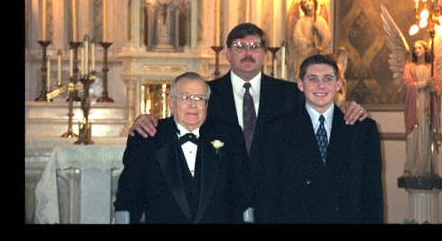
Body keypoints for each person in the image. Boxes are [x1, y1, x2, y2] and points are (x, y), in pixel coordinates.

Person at [129, 23, 368, 222]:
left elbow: (320, 115)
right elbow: (178, 122)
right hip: (223, 206)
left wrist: (347, 107)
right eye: (240, 46)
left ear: (264, 53)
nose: (248, 52)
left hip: (278, 202)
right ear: (228, 53)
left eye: (255, 46)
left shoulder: (290, 94)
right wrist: (144, 120)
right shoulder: (205, 93)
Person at [256, 54, 384, 223]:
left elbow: (373, 196)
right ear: (300, 84)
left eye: (328, 79)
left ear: (338, 84)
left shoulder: (362, 130)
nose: (321, 85)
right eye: (312, 79)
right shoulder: (277, 130)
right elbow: (268, 196)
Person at [114, 71, 253, 223]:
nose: (193, 105)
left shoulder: (230, 136)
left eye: (199, 98)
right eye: (185, 97)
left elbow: (243, 197)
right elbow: (128, 200)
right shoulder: (146, 138)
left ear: (206, 105)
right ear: (171, 104)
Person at [401, 40, 442, 177]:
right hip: (415, 106)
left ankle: (428, 168)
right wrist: (425, 83)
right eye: (415, 48)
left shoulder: (431, 69)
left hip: (428, 108)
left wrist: (434, 88)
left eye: (419, 47)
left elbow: (439, 89)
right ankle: (411, 167)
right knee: (414, 135)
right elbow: (406, 86)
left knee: (427, 134)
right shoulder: (409, 67)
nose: (416, 50)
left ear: (426, 50)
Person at [290, 0, 332, 78]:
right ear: (302, 6)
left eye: (309, 0)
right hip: (306, 57)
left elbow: (327, 38)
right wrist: (309, 43)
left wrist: (319, 31)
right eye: (304, 2)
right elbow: (297, 39)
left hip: (319, 57)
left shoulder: (321, 21)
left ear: (314, 3)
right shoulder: (301, 22)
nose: (307, 3)